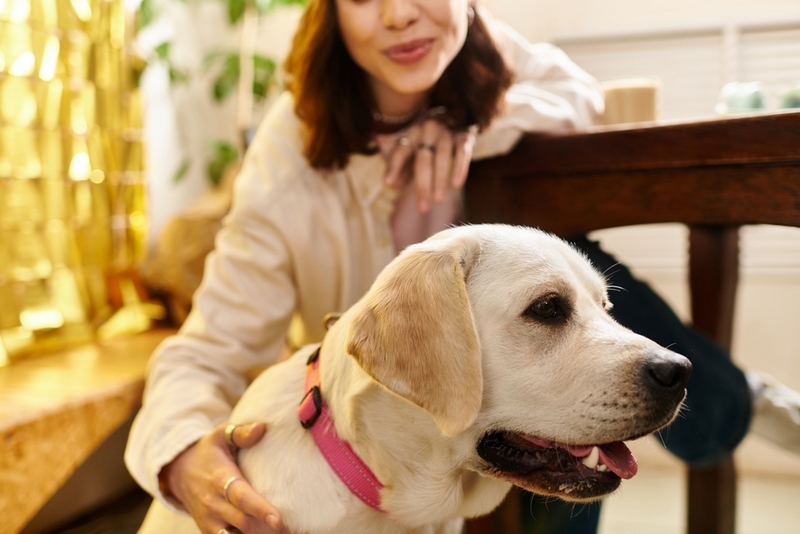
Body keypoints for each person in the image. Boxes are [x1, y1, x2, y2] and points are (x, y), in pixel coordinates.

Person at [125, 0, 800, 533]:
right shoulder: (287, 157)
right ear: (329, 13)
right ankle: (731, 392)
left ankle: (733, 395)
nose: (397, 13)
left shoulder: (493, 64)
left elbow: (581, 96)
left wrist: (475, 124)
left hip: (512, 396)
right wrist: (180, 453)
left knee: (582, 278)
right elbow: (207, 349)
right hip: (402, 404)